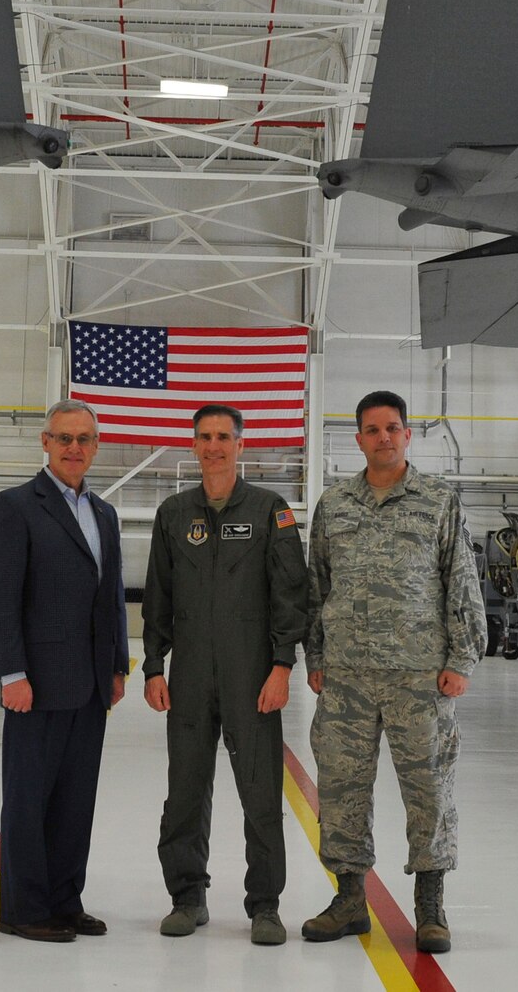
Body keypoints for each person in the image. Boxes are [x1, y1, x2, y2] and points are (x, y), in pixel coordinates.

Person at [301, 390, 482, 954]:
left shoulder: (438, 500)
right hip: (347, 678)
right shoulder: (333, 505)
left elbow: (461, 580)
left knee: (428, 788)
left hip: (419, 677)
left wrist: (461, 659)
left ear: (407, 436)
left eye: (393, 428)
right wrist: (318, 657)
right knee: (340, 787)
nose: (383, 436)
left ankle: (430, 907)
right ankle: (349, 899)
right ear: (358, 439)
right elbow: (316, 587)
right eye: (372, 429)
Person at [142, 404, 309, 946]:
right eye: (204, 437)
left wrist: (283, 665)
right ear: (193, 446)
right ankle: (187, 897)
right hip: (189, 676)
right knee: (184, 792)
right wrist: (152, 666)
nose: (213, 445)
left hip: (252, 676)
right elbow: (157, 599)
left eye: (223, 436)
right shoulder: (173, 514)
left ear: (241, 444)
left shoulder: (269, 509)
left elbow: (290, 596)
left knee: (260, 794)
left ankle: (265, 905)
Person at [0, 399, 129, 943]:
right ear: (45, 443)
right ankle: (24, 908)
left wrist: (117, 666)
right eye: (64, 438)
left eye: (84, 439)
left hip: (90, 684)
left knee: (74, 801)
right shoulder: (16, 505)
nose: (74, 448)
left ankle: (65, 901)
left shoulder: (104, 513)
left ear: (96, 445)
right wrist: (11, 673)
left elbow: (110, 596)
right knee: (28, 799)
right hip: (36, 684)